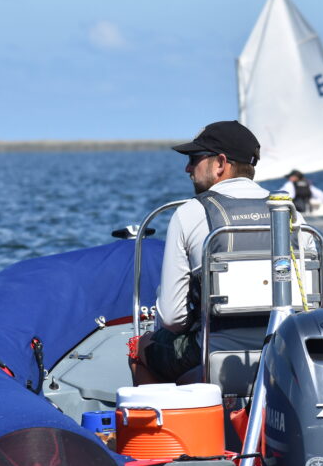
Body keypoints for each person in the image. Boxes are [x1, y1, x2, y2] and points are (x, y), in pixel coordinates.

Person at [129, 120, 308, 385]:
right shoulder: (292, 215)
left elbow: (172, 319)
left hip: (211, 354)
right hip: (286, 353)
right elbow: (313, 303)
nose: (187, 168)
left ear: (221, 163)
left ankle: (169, 424)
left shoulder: (190, 214)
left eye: (194, 158)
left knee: (139, 348)